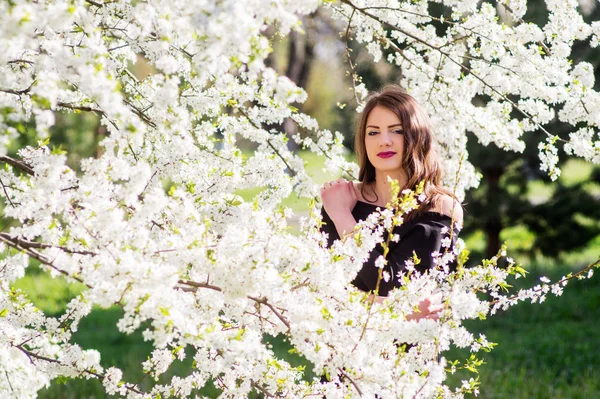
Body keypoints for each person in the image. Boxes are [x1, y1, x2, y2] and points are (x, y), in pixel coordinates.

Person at [320, 85, 463, 319]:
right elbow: (318, 291)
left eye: (396, 131)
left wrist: (344, 220)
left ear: (417, 135)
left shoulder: (438, 208)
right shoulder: (340, 198)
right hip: (340, 348)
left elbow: (387, 284)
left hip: (407, 351)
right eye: (373, 132)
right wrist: (399, 311)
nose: (384, 141)